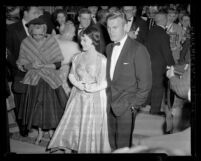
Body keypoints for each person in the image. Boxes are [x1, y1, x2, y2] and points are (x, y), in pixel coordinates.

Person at [47, 26, 111, 153]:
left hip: (94, 98)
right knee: (75, 124)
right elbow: (71, 75)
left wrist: (89, 88)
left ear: (94, 41)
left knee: (90, 127)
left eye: (85, 40)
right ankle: (72, 145)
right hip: (77, 96)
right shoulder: (77, 57)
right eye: (81, 40)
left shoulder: (102, 60)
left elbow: (105, 82)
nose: (81, 43)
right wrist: (78, 84)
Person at [16, 17, 68, 144]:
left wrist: (44, 66)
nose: (37, 37)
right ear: (30, 32)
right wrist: (31, 66)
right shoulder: (26, 42)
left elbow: (58, 63)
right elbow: (22, 64)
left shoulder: (51, 41)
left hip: (50, 79)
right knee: (36, 109)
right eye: (34, 35)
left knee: (51, 108)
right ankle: (40, 132)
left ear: (45, 31)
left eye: (40, 34)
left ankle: (51, 131)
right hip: (34, 79)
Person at [106, 11, 152, 150]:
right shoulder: (109, 48)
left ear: (125, 27)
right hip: (109, 104)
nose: (110, 31)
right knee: (112, 143)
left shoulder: (138, 49)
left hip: (127, 106)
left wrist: (134, 105)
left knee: (124, 146)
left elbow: (145, 83)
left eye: (115, 27)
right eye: (108, 27)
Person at [6, 6, 41, 137]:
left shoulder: (41, 27)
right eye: (34, 12)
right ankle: (23, 127)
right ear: (25, 13)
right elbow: (8, 52)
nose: (37, 15)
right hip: (19, 72)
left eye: (38, 12)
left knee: (33, 100)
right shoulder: (11, 29)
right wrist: (18, 65)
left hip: (37, 72)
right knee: (21, 102)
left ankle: (31, 123)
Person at [145, 11, 175, 115]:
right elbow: (167, 53)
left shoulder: (150, 31)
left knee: (150, 86)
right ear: (164, 20)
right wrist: (172, 65)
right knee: (158, 88)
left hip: (148, 64)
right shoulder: (163, 34)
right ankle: (155, 111)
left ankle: (144, 106)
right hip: (159, 66)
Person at [54, 21, 81, 96]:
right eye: (73, 32)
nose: (74, 34)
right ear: (68, 32)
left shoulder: (54, 42)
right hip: (67, 75)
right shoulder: (74, 46)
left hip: (54, 75)